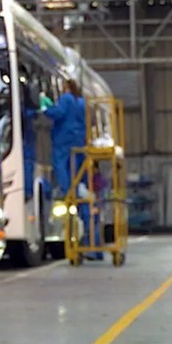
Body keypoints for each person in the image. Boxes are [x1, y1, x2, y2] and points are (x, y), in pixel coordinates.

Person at [43, 79, 100, 259]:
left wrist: (45, 108)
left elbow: (58, 113)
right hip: (79, 142)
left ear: (66, 87)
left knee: (61, 166)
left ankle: (67, 191)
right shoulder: (82, 102)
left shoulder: (66, 99)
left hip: (64, 140)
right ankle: (94, 247)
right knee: (79, 177)